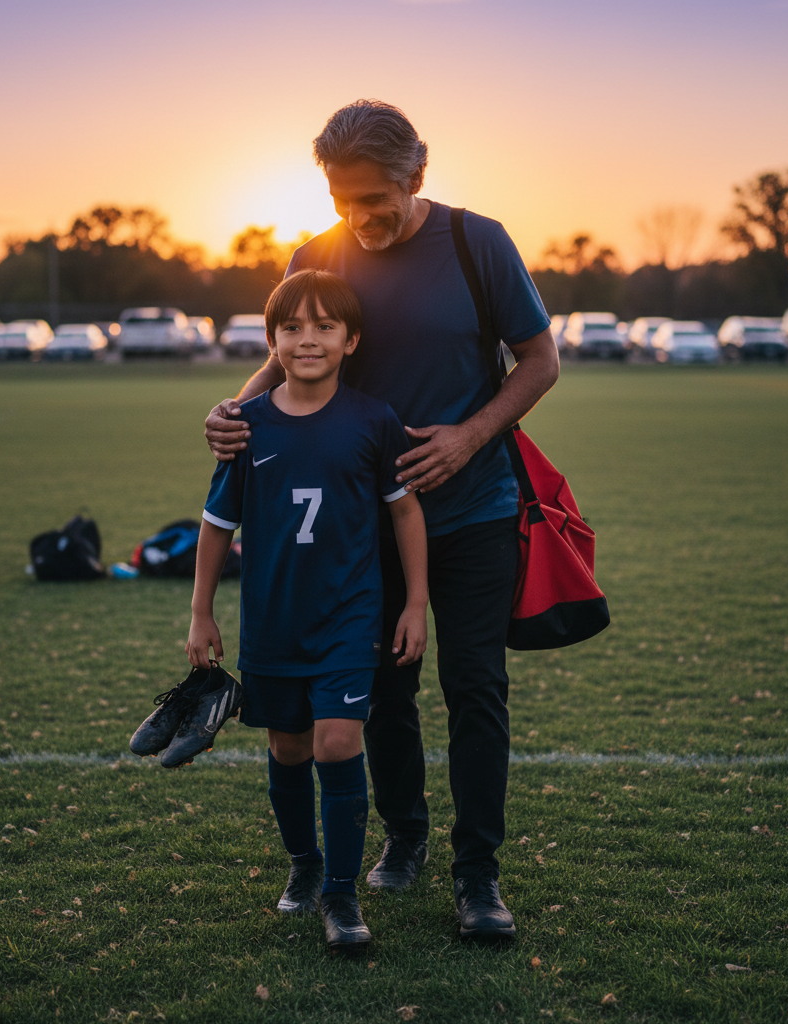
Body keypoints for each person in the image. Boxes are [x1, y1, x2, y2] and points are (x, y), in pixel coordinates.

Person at [204, 100, 559, 941]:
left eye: (373, 199)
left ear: (416, 177)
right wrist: (234, 410)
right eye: (338, 198)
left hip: (474, 508)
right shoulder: (316, 255)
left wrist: (470, 438)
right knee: (383, 690)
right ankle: (403, 838)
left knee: (475, 688)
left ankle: (480, 877)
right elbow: (290, 346)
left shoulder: (479, 243)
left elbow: (540, 361)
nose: (355, 219)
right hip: (361, 527)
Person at [188, 268, 429, 954]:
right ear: (271, 341)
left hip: (350, 617)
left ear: (352, 339)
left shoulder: (373, 421)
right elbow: (214, 526)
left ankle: (343, 897)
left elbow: (405, 512)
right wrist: (201, 614)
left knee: (337, 740)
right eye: (292, 328)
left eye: (325, 326)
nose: (308, 340)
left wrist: (415, 602)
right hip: (273, 619)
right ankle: (304, 864)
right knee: (287, 745)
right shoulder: (246, 426)